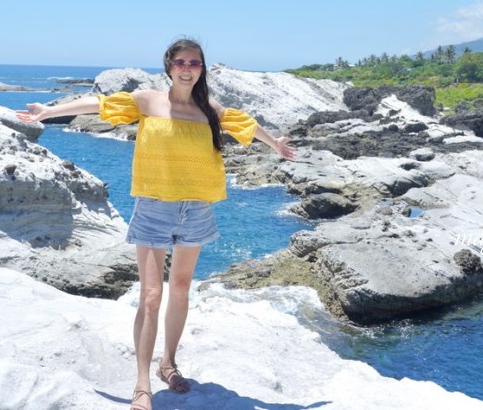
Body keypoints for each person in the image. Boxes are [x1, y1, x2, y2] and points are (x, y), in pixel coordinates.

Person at [16, 38, 294, 410]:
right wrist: (47, 112)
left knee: (179, 289)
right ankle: (142, 382)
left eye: (194, 62)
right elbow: (99, 105)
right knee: (150, 296)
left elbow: (246, 125)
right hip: (154, 206)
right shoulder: (148, 100)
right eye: (180, 61)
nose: (187, 67)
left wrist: (275, 144)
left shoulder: (210, 109)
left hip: (196, 207)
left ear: (201, 69)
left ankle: (169, 364)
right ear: (169, 67)